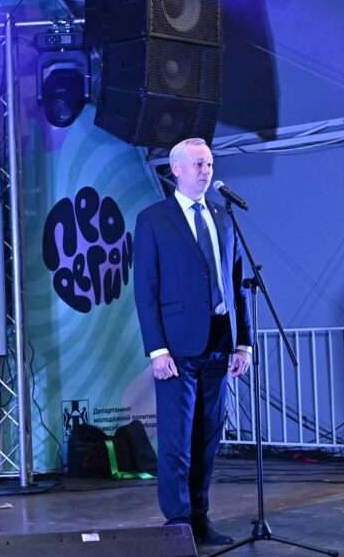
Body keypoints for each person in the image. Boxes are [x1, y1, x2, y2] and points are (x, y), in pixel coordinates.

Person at [133, 138, 253, 546]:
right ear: (176, 169)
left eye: (210, 163)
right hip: (177, 348)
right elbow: (145, 290)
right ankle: (178, 522)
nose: (206, 170)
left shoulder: (222, 217)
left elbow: (236, 285)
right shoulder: (153, 219)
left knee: (207, 438)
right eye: (199, 164)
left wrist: (244, 343)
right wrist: (157, 349)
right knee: (177, 441)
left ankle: (200, 518)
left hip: (220, 342)